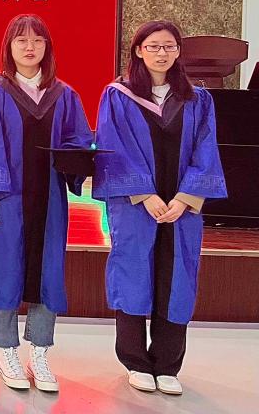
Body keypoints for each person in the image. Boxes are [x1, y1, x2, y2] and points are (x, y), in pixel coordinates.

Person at [94, 20, 226, 396]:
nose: (161, 53)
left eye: (169, 46)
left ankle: (168, 364)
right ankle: (136, 361)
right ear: (139, 50)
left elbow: (206, 149)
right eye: (153, 46)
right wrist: (144, 194)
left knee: (177, 276)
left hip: (181, 208)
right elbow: (114, 147)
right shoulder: (118, 95)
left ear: (178, 51)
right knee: (133, 273)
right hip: (137, 206)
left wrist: (185, 198)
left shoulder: (198, 99)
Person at [0, 14, 92, 393]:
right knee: (5, 268)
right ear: (9, 46)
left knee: (49, 269)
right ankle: (6, 350)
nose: (29, 47)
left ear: (47, 47)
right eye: (21, 40)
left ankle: (39, 351)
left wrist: (82, 162)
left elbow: (77, 140)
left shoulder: (64, 94)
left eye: (37, 40)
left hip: (50, 199)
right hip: (9, 197)